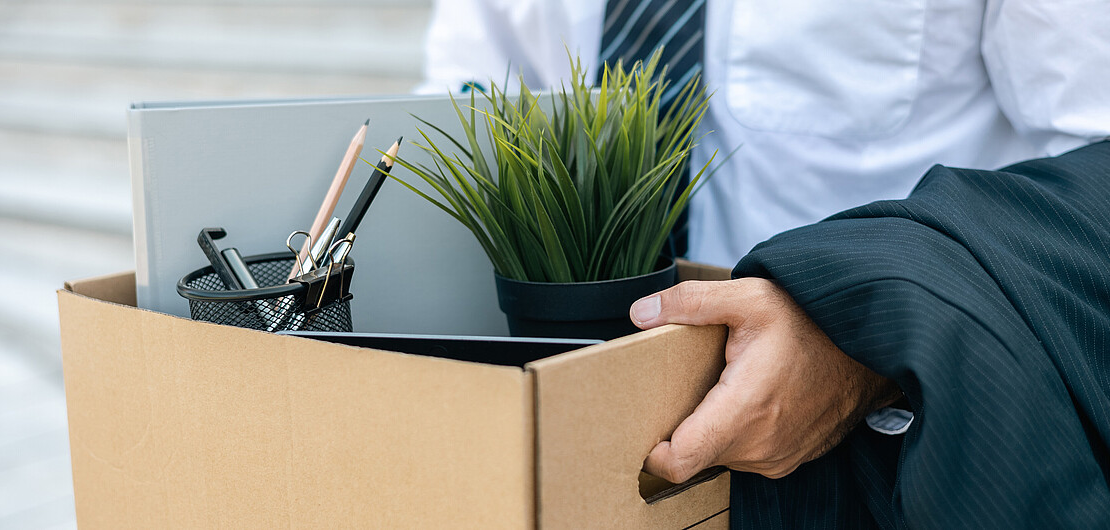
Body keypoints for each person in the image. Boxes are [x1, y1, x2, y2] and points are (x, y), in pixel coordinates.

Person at [419, 0, 1110, 526]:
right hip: (570, 417)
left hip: (868, 458)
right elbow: (471, 104)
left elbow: (1091, 178)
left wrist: (858, 338)